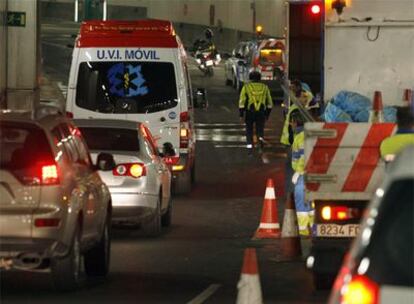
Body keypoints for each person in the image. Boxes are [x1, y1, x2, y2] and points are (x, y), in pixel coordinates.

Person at [289, 109, 314, 236]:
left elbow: (304, 157)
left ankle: (303, 230)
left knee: (301, 201)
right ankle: (313, 229)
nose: (290, 124)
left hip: (303, 174)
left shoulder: (301, 137)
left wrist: (298, 173)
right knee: (310, 203)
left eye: (291, 122)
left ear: (295, 122)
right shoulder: (306, 134)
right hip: (308, 173)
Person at [239, 70, 273, 155]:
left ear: (250, 78)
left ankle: (250, 149)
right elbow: (270, 103)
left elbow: (242, 102)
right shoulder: (265, 87)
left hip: (249, 113)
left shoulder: (246, 87)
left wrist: (241, 114)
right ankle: (260, 146)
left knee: (249, 131)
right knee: (260, 130)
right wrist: (267, 114)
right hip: (261, 113)